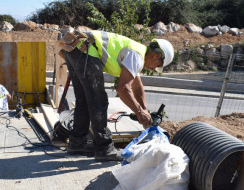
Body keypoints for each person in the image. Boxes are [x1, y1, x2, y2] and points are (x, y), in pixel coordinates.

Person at [59, 30, 174, 161]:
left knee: (84, 99)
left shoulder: (137, 51)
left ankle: (77, 143)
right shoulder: (137, 55)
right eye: (158, 66)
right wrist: (139, 112)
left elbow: (137, 87)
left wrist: (144, 111)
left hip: (74, 49)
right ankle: (104, 149)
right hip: (86, 50)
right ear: (156, 56)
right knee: (98, 101)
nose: (154, 69)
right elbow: (123, 88)